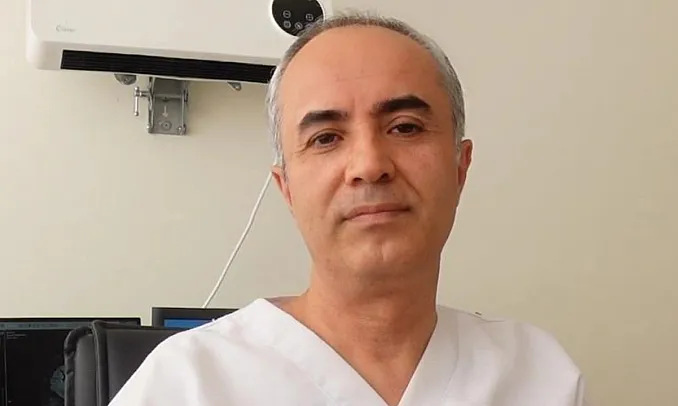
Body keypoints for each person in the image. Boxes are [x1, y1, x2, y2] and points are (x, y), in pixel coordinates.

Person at [108, 11, 588, 406]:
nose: (369, 165)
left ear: (460, 167)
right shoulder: (188, 384)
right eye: (326, 138)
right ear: (287, 188)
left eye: (405, 127)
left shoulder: (539, 375)